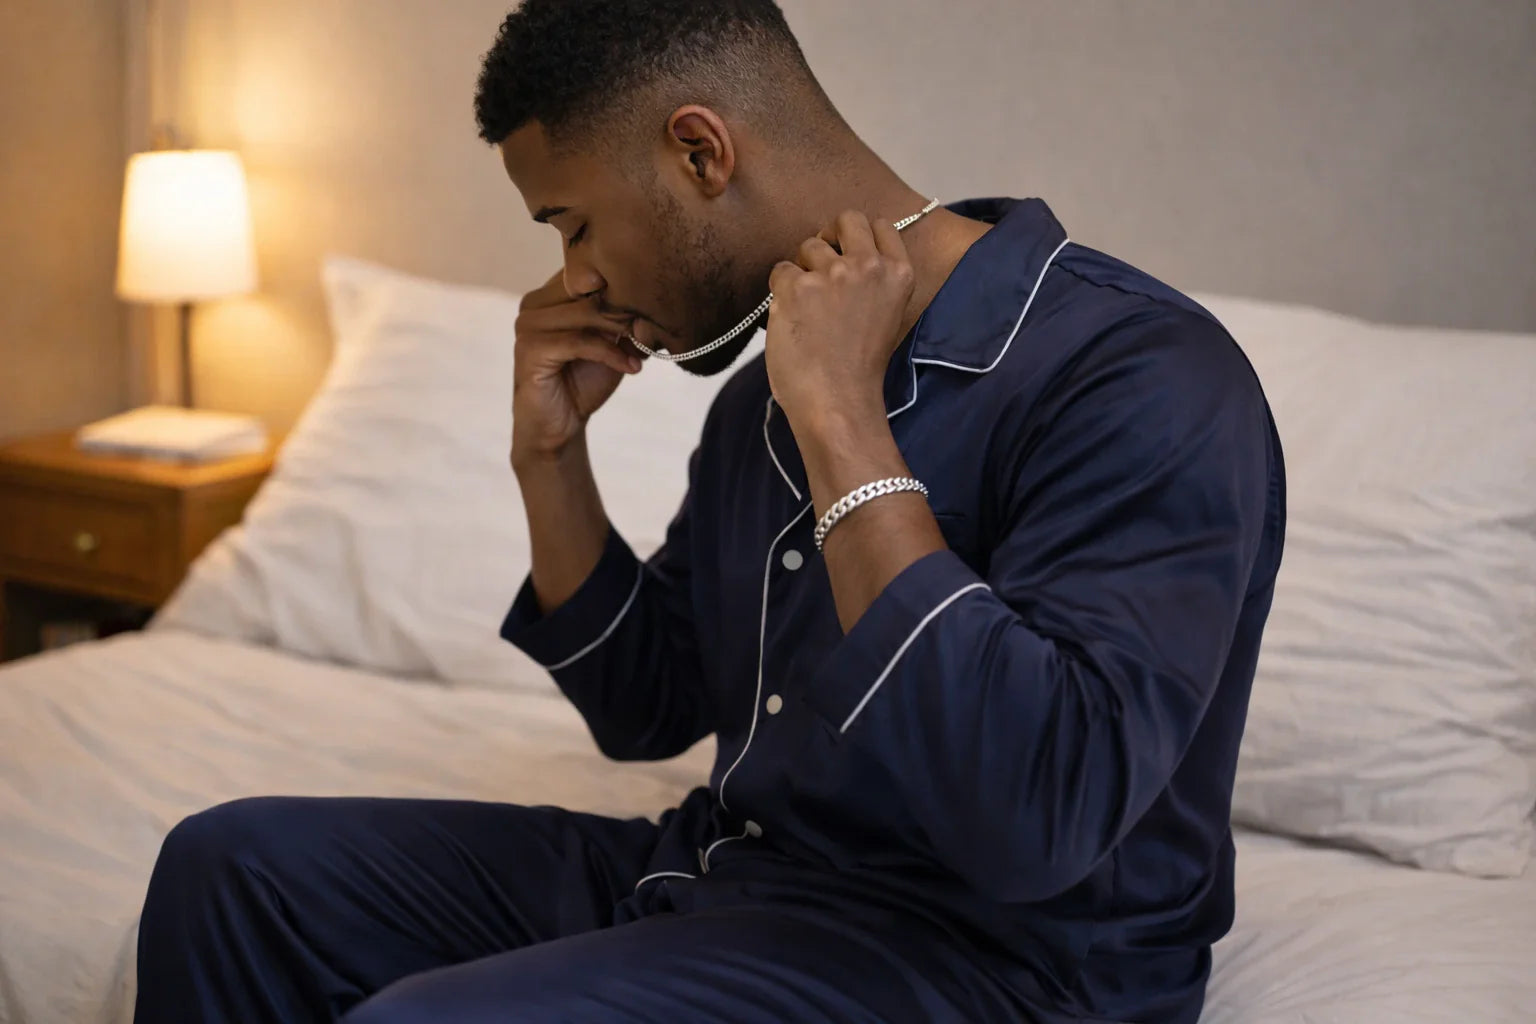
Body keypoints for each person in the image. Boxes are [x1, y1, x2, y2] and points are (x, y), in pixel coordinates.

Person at [133, 1, 1285, 1021]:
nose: (574, 276)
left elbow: (1038, 815)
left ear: (699, 150)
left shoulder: (1138, 372)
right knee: (229, 869)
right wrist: (550, 457)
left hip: (999, 961)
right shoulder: (761, 397)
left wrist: (841, 415)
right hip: (736, 879)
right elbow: (651, 703)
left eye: (572, 223)